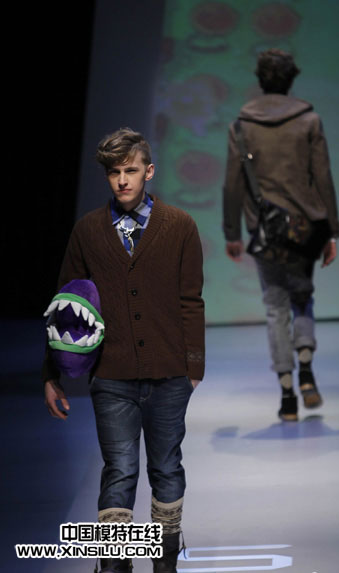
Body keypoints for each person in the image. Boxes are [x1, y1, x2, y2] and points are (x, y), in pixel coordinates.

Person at [43, 128, 205, 573]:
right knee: (119, 469)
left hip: (169, 373)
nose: (122, 180)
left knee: (166, 467)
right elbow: (64, 306)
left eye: (130, 170)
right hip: (111, 375)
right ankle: (115, 564)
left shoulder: (180, 226)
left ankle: (164, 562)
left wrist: (194, 366)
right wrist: (50, 374)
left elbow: (191, 299)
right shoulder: (88, 231)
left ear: (148, 172)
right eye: (114, 172)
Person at [223, 49, 339, 422]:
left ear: (260, 79)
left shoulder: (241, 127)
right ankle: (305, 364)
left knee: (275, 307)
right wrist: (332, 231)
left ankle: (287, 394)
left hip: (264, 229)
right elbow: (322, 178)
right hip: (306, 228)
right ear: (291, 79)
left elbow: (232, 185)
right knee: (302, 297)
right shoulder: (309, 121)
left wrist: (231, 233)